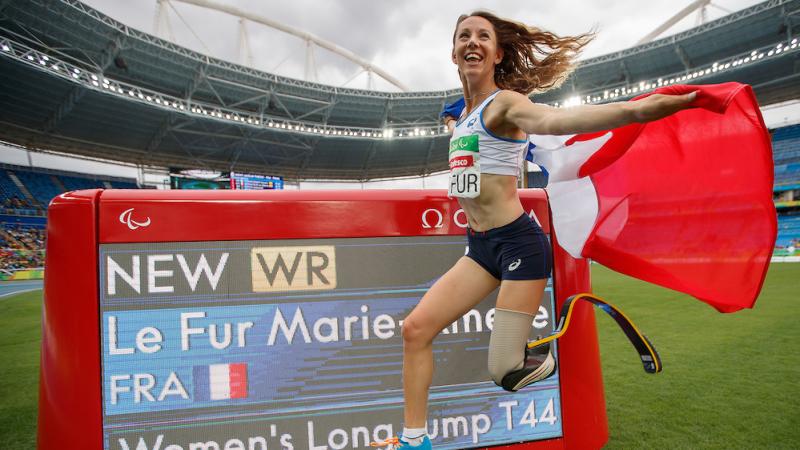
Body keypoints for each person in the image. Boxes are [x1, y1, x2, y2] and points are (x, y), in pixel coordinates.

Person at [374, 10, 697, 449]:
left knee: (504, 373)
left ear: (497, 52)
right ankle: (415, 440)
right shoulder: (461, 114)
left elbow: (556, 122)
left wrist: (642, 109)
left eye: (483, 36)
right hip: (481, 248)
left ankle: (536, 355)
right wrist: (454, 122)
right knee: (415, 330)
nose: (473, 42)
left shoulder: (505, 104)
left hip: (519, 246)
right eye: (464, 35)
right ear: (454, 52)